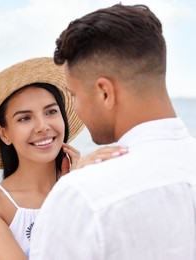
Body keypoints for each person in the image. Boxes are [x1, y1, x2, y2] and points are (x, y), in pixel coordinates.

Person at [30, 4, 196, 260]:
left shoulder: (83, 195)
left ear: (104, 92)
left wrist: (74, 186)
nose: (75, 109)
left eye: (74, 95)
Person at [0, 57, 127, 259]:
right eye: (24, 118)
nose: (43, 126)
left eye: (51, 112)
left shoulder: (83, 188)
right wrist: (66, 196)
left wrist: (76, 187)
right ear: (4, 134)